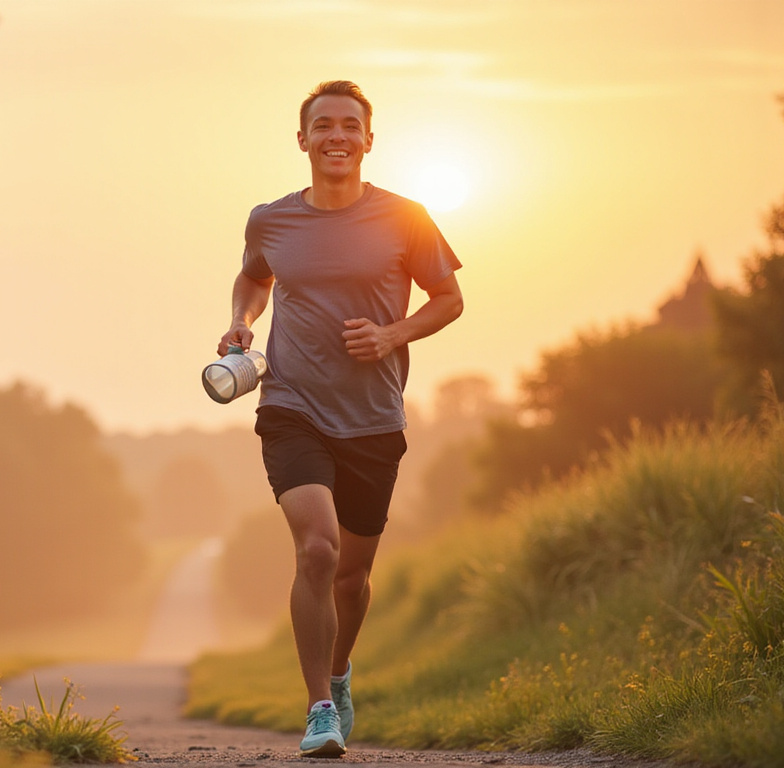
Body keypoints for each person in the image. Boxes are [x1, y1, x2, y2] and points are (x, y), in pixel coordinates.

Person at [217, 80, 464, 758]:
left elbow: (449, 298)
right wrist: (240, 322)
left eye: (349, 126)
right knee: (317, 549)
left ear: (367, 140)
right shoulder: (271, 220)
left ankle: (339, 671)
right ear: (302, 140)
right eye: (322, 125)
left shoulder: (406, 218)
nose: (336, 136)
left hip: (374, 416)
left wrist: (391, 336)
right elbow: (254, 277)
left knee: (352, 576)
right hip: (291, 405)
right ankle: (318, 710)